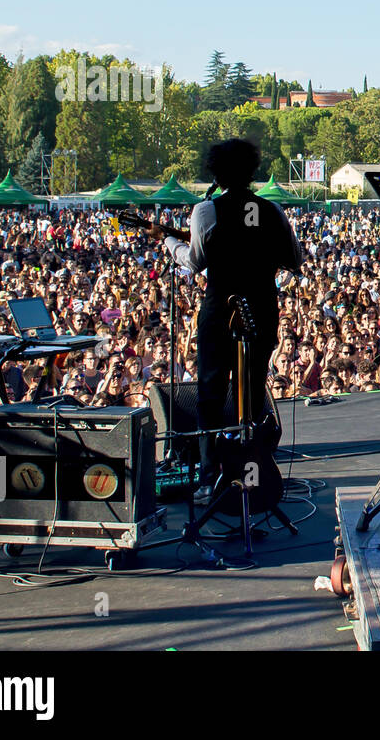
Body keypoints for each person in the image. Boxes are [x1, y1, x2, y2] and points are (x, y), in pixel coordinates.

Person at [149, 138, 303, 495]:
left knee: (210, 392)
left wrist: (169, 242)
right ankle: (251, 474)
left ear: (215, 171)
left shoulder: (206, 211)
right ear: (252, 171)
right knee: (250, 392)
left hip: (221, 309)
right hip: (262, 308)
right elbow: (294, 260)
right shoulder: (273, 211)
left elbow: (195, 261)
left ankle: (209, 474)